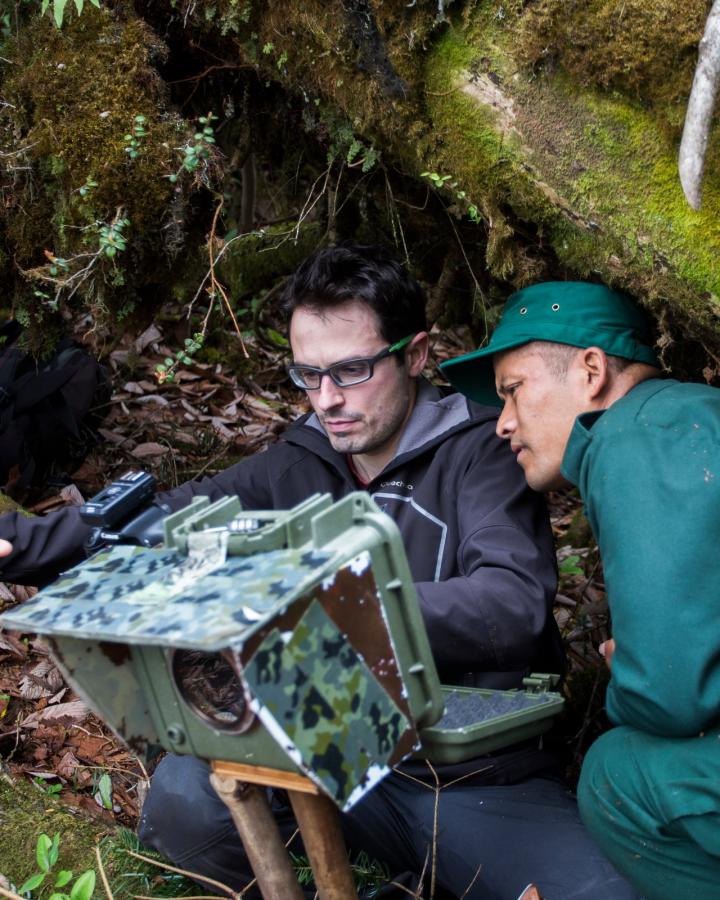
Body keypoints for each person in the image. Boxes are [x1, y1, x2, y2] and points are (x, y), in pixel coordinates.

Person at [0, 250, 636, 899]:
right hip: (317, 752)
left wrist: (327, 607)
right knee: (186, 805)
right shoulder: (303, 457)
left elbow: (510, 605)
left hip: (464, 776)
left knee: (597, 894)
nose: (328, 400)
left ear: (415, 355)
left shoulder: (483, 454)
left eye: (352, 371)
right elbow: (170, 515)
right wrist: (19, 541)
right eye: (308, 375)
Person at [440, 280, 720, 900]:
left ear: (592, 370)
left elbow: (672, 696)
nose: (502, 424)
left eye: (514, 391)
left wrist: (636, 682)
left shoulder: (637, 434)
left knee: (618, 778)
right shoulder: (685, 418)